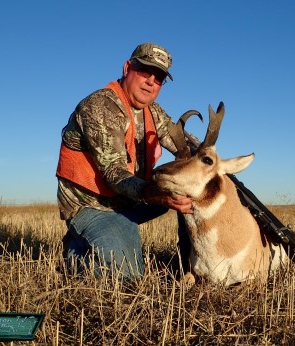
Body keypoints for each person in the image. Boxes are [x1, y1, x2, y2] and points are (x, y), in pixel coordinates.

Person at [56, 42, 193, 279]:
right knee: (126, 277)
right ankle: (75, 252)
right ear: (127, 67)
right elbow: (115, 175)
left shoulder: (154, 111)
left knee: (192, 188)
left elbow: (186, 146)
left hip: (131, 200)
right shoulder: (100, 107)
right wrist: (161, 196)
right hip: (94, 206)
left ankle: (190, 260)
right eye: (144, 70)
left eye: (159, 77)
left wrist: (212, 164)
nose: (151, 80)